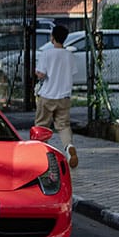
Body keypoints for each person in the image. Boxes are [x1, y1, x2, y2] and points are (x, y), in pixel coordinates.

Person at [35, 24, 79, 169]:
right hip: (64, 97)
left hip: (47, 96)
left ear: (52, 37)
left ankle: (41, 154)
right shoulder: (70, 56)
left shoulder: (46, 54)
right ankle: (69, 147)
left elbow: (41, 74)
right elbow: (72, 73)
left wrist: (38, 74)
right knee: (63, 126)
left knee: (42, 126)